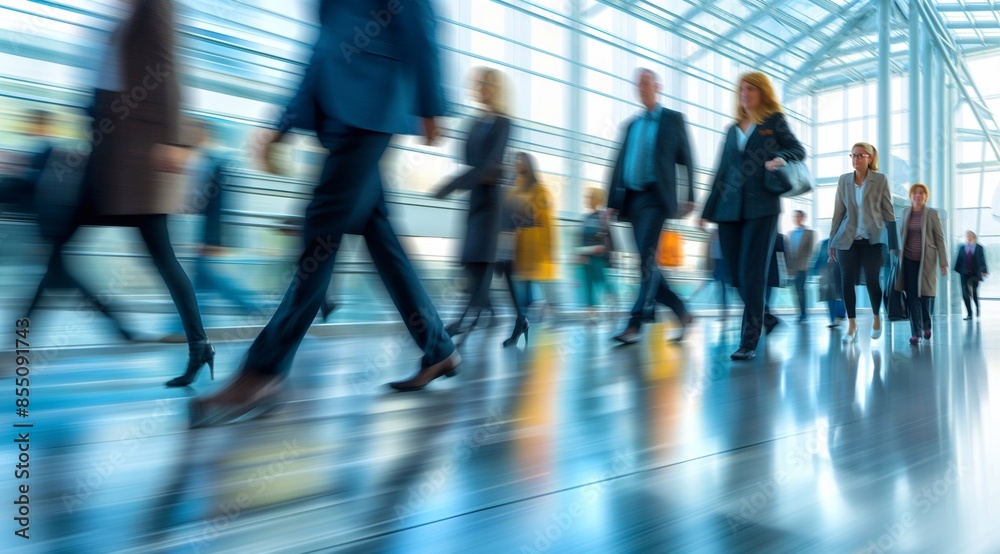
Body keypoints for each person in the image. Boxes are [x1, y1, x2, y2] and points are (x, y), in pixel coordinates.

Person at [190, 0, 458, 427]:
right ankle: (439, 348)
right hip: (338, 110)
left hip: (373, 102)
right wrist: (282, 123)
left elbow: (419, 18)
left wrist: (431, 103)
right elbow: (322, 43)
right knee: (381, 240)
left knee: (321, 235)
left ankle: (264, 371)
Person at [27, 0, 213, 386]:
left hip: (136, 167)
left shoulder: (154, 5)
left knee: (162, 259)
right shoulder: (128, 13)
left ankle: (199, 346)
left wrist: (176, 140)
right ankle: (20, 346)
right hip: (109, 162)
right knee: (60, 250)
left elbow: (168, 67)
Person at [701, 71, 806, 360]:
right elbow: (721, 172)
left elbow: (798, 150)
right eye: (741, 89)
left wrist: (781, 157)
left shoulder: (773, 122)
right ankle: (767, 318)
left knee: (753, 273)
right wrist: (707, 211)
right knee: (735, 275)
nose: (744, 94)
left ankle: (748, 340)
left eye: (750, 89)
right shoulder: (732, 130)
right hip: (728, 211)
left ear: (762, 93)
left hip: (762, 208)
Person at [607, 68, 696, 345]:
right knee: (646, 262)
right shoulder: (631, 125)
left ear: (658, 87)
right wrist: (610, 203)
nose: (641, 87)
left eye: (646, 83)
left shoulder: (672, 120)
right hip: (632, 200)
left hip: (656, 199)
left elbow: (687, 159)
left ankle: (635, 323)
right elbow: (618, 164)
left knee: (645, 260)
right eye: (638, 84)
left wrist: (690, 195)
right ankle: (682, 311)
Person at [433, 67, 511, 337]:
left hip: (490, 201)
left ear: (494, 89)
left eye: (483, 84)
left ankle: (464, 318)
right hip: (475, 197)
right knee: (469, 258)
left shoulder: (503, 122)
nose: (477, 89)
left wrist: (454, 184)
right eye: (476, 84)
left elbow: (490, 163)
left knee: (481, 260)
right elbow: (471, 161)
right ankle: (489, 312)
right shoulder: (474, 123)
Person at [828, 142, 899, 343]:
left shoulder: (880, 179)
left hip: (872, 239)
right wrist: (832, 241)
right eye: (853, 155)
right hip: (847, 239)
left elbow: (888, 212)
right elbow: (838, 212)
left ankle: (876, 316)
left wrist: (894, 244)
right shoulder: (844, 180)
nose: (856, 159)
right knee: (846, 280)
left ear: (870, 158)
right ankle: (852, 325)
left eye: (860, 155)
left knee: (872, 279)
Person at [504, 152, 556, 347]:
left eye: (519, 161)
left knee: (522, 290)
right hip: (514, 245)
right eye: (514, 161)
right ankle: (523, 322)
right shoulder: (514, 188)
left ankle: (522, 324)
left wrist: (547, 252)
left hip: (532, 247)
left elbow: (543, 221)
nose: (516, 164)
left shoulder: (539, 190)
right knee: (519, 289)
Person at [895, 184, 948, 345]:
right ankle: (916, 333)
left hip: (927, 260)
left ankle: (926, 324)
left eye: (921, 193)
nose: (918, 196)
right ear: (911, 196)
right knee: (912, 297)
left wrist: (943, 262)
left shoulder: (932, 214)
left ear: (925, 196)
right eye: (915, 193)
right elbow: (901, 235)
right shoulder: (905, 212)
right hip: (908, 260)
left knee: (925, 296)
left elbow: (940, 239)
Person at [578, 187, 614, 322]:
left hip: (598, 258)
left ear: (597, 199)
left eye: (591, 197)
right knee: (588, 285)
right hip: (587, 257)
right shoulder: (586, 218)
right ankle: (592, 312)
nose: (588, 200)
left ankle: (611, 301)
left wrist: (602, 249)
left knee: (601, 282)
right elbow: (582, 238)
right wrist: (581, 253)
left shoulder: (602, 217)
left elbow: (607, 238)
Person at [787, 209, 816, 322]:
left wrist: (807, 264)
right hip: (793, 268)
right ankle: (800, 312)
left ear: (803, 218)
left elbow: (811, 251)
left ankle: (803, 313)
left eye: (798, 217)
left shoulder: (810, 233)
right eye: (794, 217)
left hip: (803, 267)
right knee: (795, 290)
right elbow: (788, 252)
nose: (796, 219)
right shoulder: (790, 234)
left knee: (801, 289)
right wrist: (789, 267)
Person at [954, 230, 988, 320]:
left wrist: (984, 271)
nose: (968, 237)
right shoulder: (962, 248)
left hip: (975, 274)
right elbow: (958, 260)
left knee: (974, 292)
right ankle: (969, 313)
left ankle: (977, 308)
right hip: (964, 274)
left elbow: (983, 260)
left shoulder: (979, 247)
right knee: (965, 294)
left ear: (974, 237)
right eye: (967, 236)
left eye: (970, 235)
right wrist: (959, 271)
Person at [813, 238, 846, 328]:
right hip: (828, 273)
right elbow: (819, 258)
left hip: (840, 272)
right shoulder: (825, 243)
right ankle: (834, 319)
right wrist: (815, 271)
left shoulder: (845, 242)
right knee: (830, 296)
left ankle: (838, 316)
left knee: (840, 295)